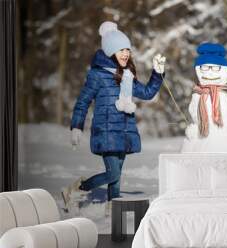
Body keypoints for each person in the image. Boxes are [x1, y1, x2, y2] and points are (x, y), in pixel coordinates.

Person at [63, 21, 166, 215]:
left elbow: (147, 93)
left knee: (116, 176)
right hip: (106, 131)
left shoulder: (126, 75)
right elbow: (83, 101)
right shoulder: (97, 75)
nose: (126, 53)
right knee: (113, 173)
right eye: (121, 49)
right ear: (111, 51)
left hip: (124, 132)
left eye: (127, 49)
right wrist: (76, 126)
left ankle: (113, 208)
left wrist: (158, 74)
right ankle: (76, 190)